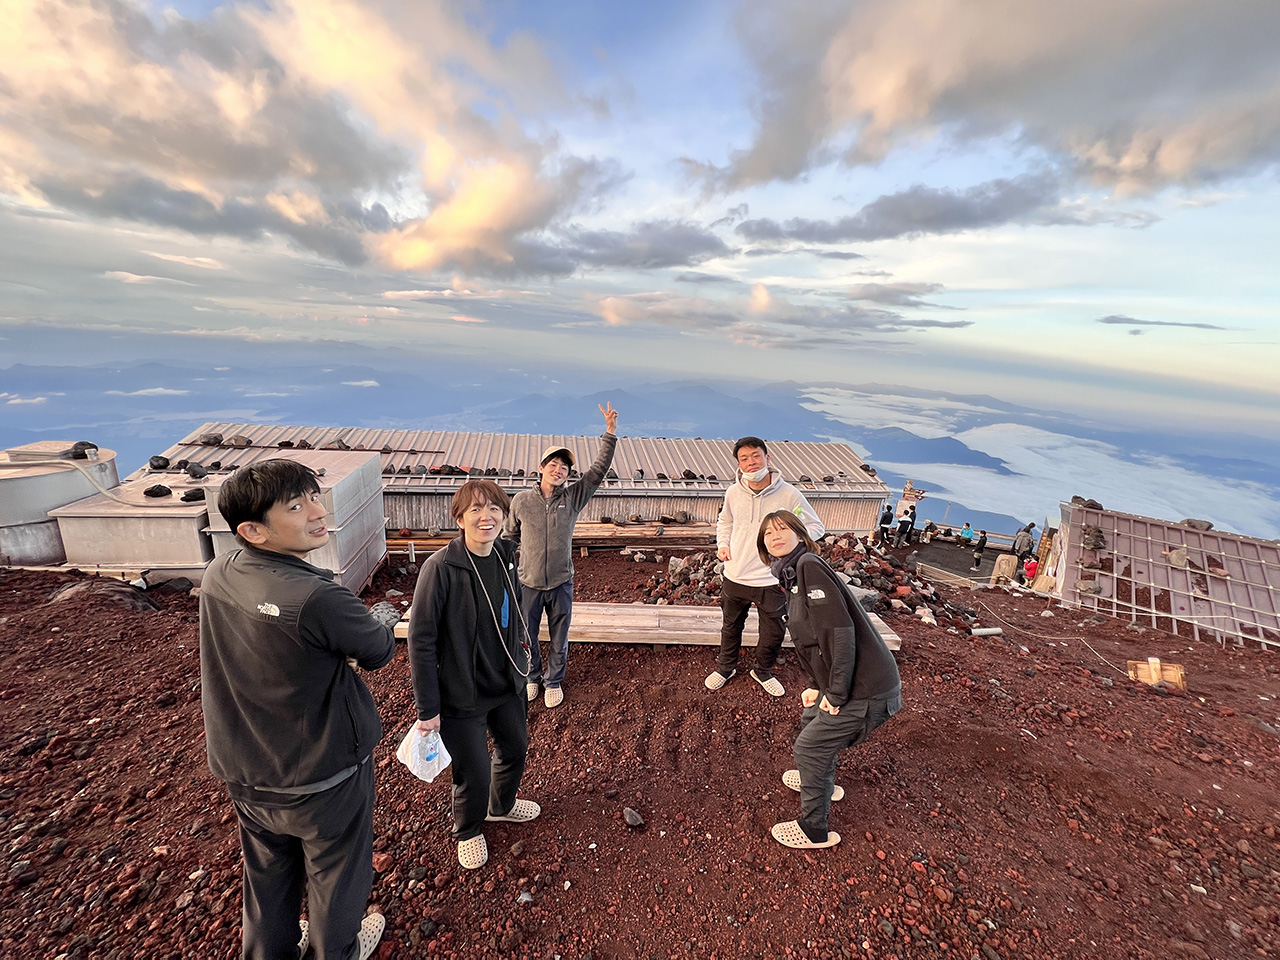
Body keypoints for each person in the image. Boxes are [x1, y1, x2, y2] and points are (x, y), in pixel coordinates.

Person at [199, 459, 393, 960]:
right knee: (337, 876)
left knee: (267, 879)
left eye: (313, 495)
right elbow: (376, 649)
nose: (317, 511)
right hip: (321, 772)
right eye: (296, 505)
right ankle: (338, 951)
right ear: (253, 530)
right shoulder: (317, 597)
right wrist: (379, 618)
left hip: (247, 768)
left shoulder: (220, 572)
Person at [410, 480, 540, 871]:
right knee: (473, 771)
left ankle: (502, 807)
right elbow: (421, 640)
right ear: (460, 517)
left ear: (504, 515)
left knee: (515, 747)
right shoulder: (441, 568)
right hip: (462, 692)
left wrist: (522, 650)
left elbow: (513, 607)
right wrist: (427, 707)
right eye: (476, 510)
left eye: (495, 510)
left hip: (506, 682)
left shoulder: (505, 554)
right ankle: (467, 829)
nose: (487, 517)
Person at [757, 510, 902, 849]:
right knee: (811, 719)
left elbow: (839, 634)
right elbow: (813, 639)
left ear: (799, 534)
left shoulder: (808, 566)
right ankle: (822, 782)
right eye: (768, 534)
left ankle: (814, 829)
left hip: (867, 687)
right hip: (848, 680)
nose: (775, 536)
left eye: (782, 529)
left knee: (810, 746)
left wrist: (835, 694)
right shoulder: (792, 575)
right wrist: (815, 686)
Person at [504, 403, 618, 708]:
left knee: (558, 637)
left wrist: (609, 433)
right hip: (527, 583)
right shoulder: (522, 501)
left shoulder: (573, 497)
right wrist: (505, 569)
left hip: (561, 582)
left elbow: (598, 471)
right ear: (541, 468)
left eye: (564, 467)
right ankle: (532, 677)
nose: (559, 470)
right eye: (553, 464)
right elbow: (508, 537)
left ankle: (553, 681)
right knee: (526, 635)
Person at [706, 436, 825, 697]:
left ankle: (762, 671)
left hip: (771, 580)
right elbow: (725, 521)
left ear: (767, 458)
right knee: (730, 626)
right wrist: (722, 544)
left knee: (773, 631)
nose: (751, 463)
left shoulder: (789, 494)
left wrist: (790, 551)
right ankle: (726, 668)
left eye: (755, 456)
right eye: (744, 459)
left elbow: (815, 527)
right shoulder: (733, 492)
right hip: (735, 574)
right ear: (738, 464)